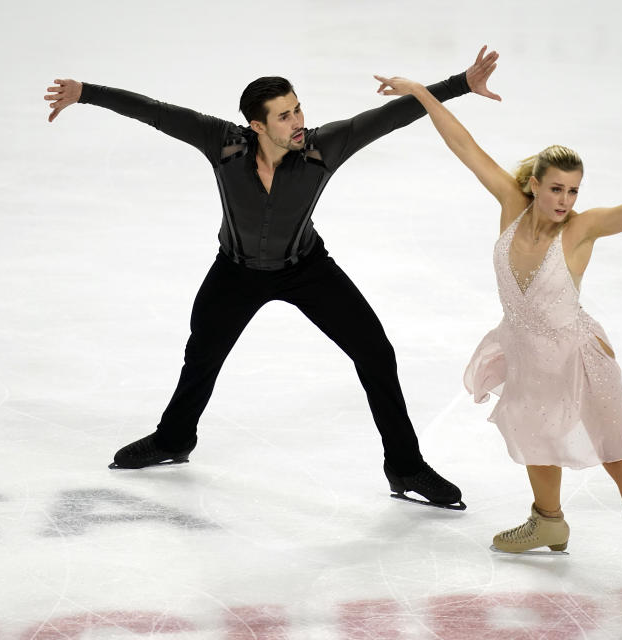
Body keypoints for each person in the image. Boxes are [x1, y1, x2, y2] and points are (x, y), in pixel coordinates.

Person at [42, 47, 503, 510]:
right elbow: (157, 113)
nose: (298, 120)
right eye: (284, 116)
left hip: (306, 268)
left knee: (376, 352)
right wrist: (85, 93)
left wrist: (461, 83)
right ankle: (173, 439)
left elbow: (390, 116)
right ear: (257, 126)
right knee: (201, 352)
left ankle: (405, 467)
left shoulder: (324, 147)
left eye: (298, 108)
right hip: (236, 271)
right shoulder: (222, 144)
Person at [372, 56, 622, 615]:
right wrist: (421, 94)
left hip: (578, 359)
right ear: (533, 184)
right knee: (535, 435)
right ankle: (548, 522)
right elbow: (463, 144)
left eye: (573, 191)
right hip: (525, 353)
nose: (565, 201)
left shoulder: (580, 230)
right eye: (556, 189)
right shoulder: (509, 204)